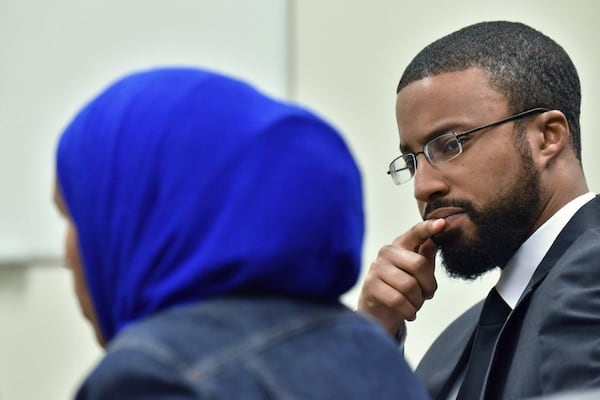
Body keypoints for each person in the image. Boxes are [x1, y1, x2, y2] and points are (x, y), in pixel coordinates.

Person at [54, 67, 430, 400]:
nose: (67, 254)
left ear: (147, 219)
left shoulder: (153, 376)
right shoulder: (369, 345)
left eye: (73, 217)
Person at [357, 20, 600, 400]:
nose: (423, 187)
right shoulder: (450, 348)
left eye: (450, 144)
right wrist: (374, 337)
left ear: (548, 137)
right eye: (411, 159)